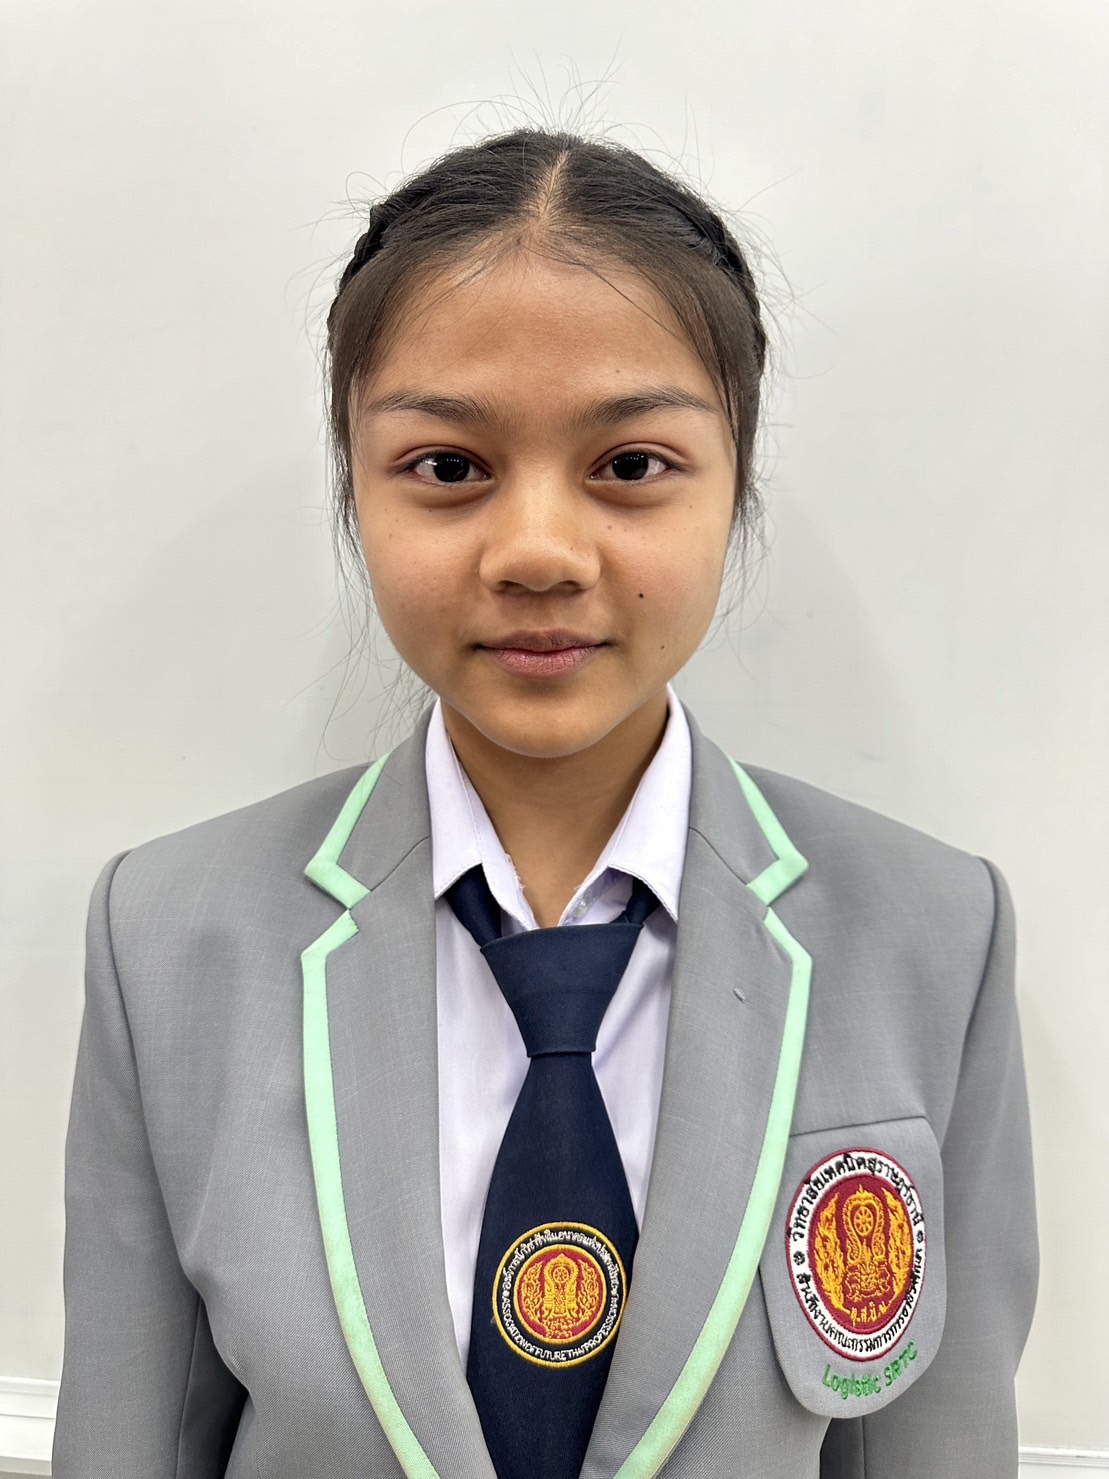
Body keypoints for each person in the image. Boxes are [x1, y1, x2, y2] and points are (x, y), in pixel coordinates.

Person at [52, 126, 1038, 1479]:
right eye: (448, 467)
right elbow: (132, 1438)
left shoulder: (930, 936)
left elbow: (938, 1443)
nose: (535, 553)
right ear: (354, 484)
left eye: (629, 465)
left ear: (735, 482)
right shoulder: (168, 939)